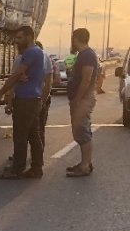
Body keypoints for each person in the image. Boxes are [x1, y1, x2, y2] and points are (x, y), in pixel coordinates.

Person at [0, 26, 45, 179]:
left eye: (20, 38)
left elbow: (16, 75)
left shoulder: (30, 52)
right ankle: (37, 168)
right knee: (33, 136)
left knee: (20, 136)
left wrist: (0, 93)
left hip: (26, 101)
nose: (17, 41)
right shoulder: (38, 52)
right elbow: (23, 74)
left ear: (29, 37)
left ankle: (17, 170)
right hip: (33, 99)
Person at [65, 28, 98, 177]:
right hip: (82, 98)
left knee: (82, 132)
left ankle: (84, 166)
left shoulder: (87, 56)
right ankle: (85, 163)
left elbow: (86, 80)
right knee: (81, 131)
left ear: (76, 38)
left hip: (83, 99)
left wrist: (77, 100)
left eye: (72, 38)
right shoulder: (83, 55)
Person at [35, 41, 57, 148]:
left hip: (41, 98)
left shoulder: (46, 60)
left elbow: (49, 83)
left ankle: (39, 154)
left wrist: (42, 102)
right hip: (33, 99)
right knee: (28, 128)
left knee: (40, 127)